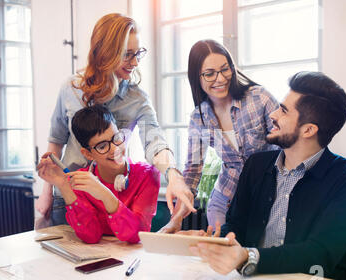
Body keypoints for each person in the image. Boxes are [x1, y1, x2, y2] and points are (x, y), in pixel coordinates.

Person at [189, 71, 346, 280]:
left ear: (309, 130)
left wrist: (249, 257)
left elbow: (320, 255)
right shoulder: (256, 165)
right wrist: (208, 241)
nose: (273, 115)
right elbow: (236, 226)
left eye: (283, 111)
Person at [36, 13, 194, 227]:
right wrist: (46, 192)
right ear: (104, 53)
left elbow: (154, 140)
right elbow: (56, 140)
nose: (135, 62)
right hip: (68, 198)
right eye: (127, 55)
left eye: (138, 53)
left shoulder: (137, 98)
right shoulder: (70, 89)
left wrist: (172, 174)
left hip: (109, 200)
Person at [160, 39, 279, 232]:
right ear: (196, 77)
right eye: (209, 74)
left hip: (267, 191)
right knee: (221, 251)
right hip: (226, 196)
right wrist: (176, 220)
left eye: (225, 69)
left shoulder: (259, 98)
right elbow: (192, 171)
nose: (221, 78)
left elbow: (287, 144)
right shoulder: (199, 118)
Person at [37, 106, 160, 243]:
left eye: (117, 138)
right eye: (102, 147)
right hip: (100, 257)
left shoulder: (148, 174)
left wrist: (104, 194)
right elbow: (90, 236)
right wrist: (64, 186)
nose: (115, 149)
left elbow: (136, 236)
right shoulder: (80, 180)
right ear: (88, 154)